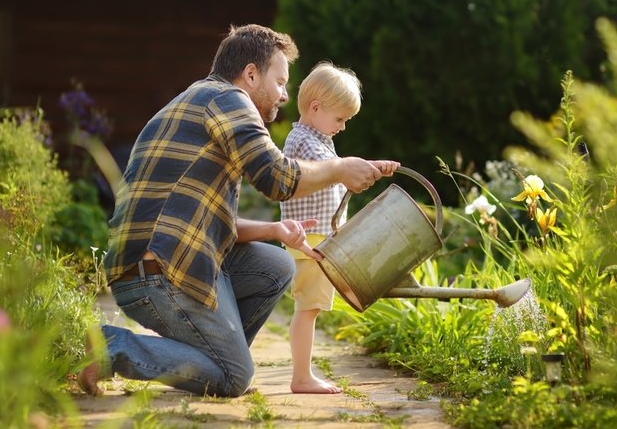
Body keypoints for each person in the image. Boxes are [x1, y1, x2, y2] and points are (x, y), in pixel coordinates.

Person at [78, 24, 399, 398]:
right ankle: (111, 346)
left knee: (277, 265)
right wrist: (341, 169)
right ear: (250, 74)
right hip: (156, 273)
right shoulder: (230, 100)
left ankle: (211, 362)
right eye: (280, 82)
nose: (283, 95)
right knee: (234, 378)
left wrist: (275, 231)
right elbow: (276, 178)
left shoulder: (198, 100)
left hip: (167, 260)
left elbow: (208, 221)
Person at [280, 62, 387, 394]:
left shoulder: (318, 139)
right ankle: (301, 377)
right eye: (340, 119)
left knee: (312, 306)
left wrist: (372, 168)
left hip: (319, 238)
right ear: (315, 108)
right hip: (310, 239)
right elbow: (332, 171)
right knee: (308, 308)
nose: (342, 127)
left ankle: (303, 373)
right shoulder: (304, 141)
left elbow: (341, 173)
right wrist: (358, 168)